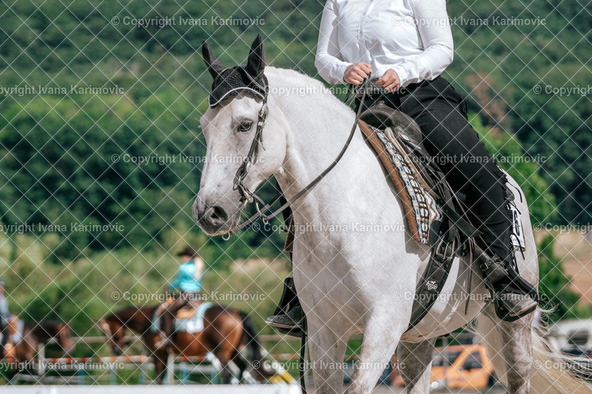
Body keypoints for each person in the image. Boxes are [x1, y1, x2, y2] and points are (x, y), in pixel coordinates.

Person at [266, 0, 537, 332]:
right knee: (304, 174)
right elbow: (323, 58)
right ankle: (305, 288)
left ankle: (503, 275)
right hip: (365, 103)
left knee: (477, 169)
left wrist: (403, 71)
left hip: (421, 98)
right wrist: (344, 70)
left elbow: (442, 49)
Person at [156, 246, 203, 349]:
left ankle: (167, 339)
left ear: (188, 257)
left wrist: (168, 287)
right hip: (197, 296)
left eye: (183, 256)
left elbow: (178, 281)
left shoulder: (184, 267)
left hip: (185, 295)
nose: (182, 258)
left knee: (166, 313)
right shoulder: (198, 267)